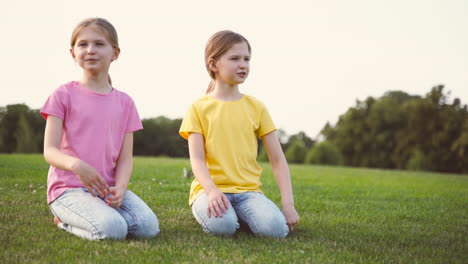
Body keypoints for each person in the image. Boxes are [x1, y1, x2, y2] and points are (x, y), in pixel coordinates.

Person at [41, 17, 159, 240]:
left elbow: (125, 158)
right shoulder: (62, 95)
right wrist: (77, 166)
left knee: (147, 228)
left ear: (115, 53)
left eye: (99, 44)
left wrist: (121, 189)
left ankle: (103, 214)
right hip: (68, 191)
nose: (90, 50)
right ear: (72, 53)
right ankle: (63, 221)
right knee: (114, 230)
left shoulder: (125, 103)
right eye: (83, 44)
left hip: (106, 190)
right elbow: (50, 151)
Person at [179, 30, 299, 238]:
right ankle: (227, 214)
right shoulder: (198, 108)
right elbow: (197, 160)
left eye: (247, 59)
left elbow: (278, 159)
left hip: (249, 192)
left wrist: (288, 204)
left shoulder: (256, 107)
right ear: (213, 64)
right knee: (223, 227)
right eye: (235, 58)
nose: (243, 64)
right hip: (210, 190)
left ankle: (243, 214)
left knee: (276, 230)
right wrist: (212, 191)